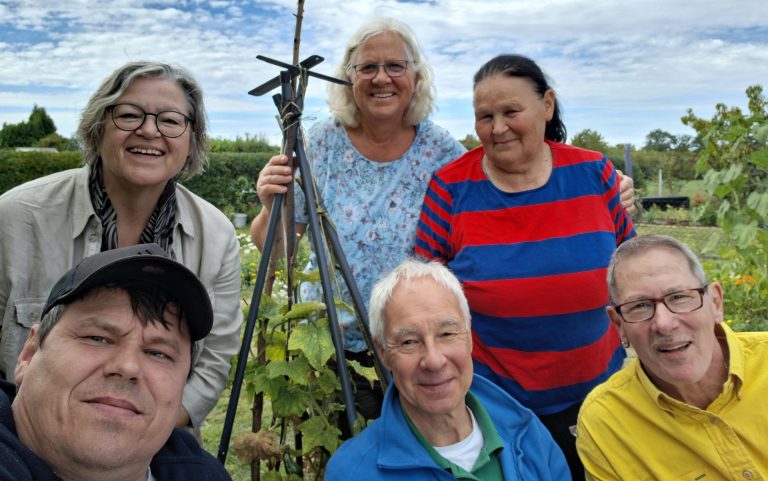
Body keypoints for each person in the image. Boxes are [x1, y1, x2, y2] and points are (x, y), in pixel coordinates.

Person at [252, 19, 638, 422]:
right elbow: (278, 252)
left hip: (419, 353)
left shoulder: (442, 153)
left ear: (415, 78)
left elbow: (499, 204)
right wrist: (268, 208)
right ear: (349, 78)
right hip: (332, 347)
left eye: (395, 66)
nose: (381, 77)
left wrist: (602, 191)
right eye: (367, 67)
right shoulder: (319, 144)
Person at [415, 54, 636, 479]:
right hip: (497, 405)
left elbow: (630, 266)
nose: (497, 128)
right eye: (485, 117)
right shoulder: (450, 187)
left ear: (546, 106)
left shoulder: (593, 172)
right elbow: (428, 292)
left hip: (601, 395)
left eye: (511, 111)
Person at [0, 61, 242, 430]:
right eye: (128, 115)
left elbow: (216, 358)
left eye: (171, 120)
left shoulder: (217, 235)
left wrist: (143, 437)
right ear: (98, 129)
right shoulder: (16, 217)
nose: (149, 130)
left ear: (192, 139)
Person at [0, 244, 232, 481]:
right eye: (97, 338)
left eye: (157, 353)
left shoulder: (204, 473)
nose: (127, 367)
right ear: (28, 354)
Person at [325, 259, 570, 480]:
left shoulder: (528, 433)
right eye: (409, 341)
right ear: (383, 352)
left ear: (469, 336)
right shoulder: (352, 472)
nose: (433, 360)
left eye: (446, 334)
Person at [575, 235, 767, 480]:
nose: (664, 324)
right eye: (640, 306)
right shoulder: (607, 422)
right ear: (619, 325)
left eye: (679, 297)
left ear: (716, 303)